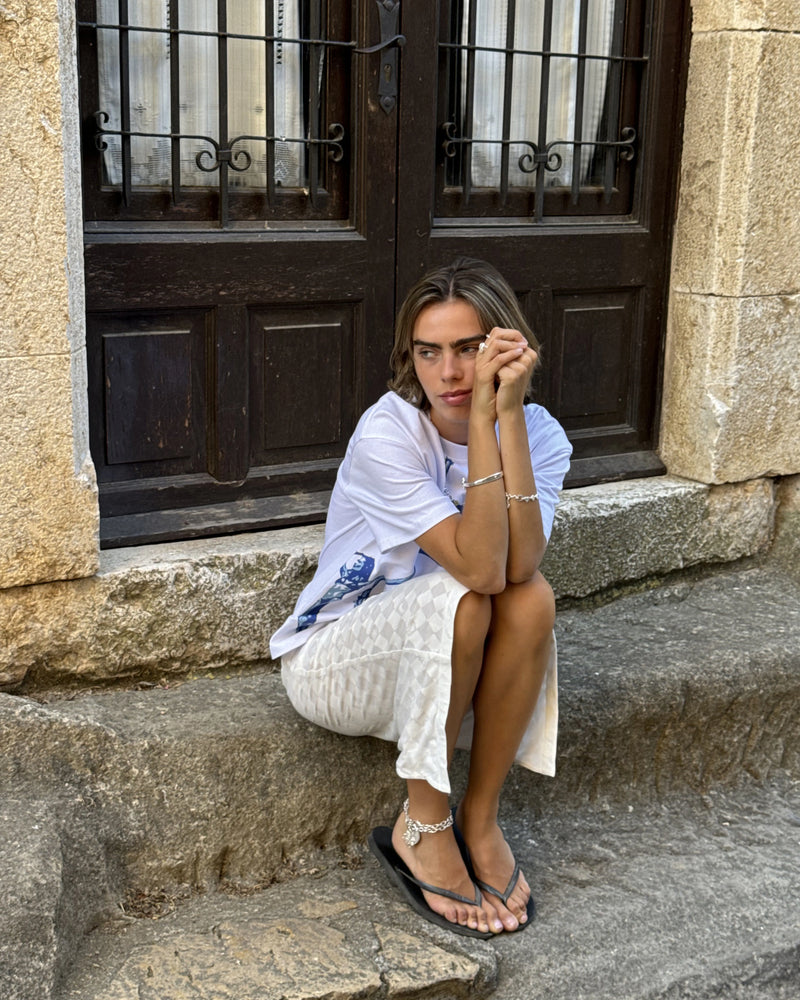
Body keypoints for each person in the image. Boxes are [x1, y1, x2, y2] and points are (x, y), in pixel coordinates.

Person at [270, 257, 572, 938]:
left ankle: (479, 816)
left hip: (446, 661)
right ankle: (424, 823)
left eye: (469, 349)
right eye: (428, 352)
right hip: (335, 663)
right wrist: (488, 429)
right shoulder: (388, 433)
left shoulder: (543, 434)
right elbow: (478, 568)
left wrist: (507, 421)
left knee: (534, 600)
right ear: (410, 357)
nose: (450, 373)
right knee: (464, 595)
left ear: (507, 346)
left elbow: (519, 567)